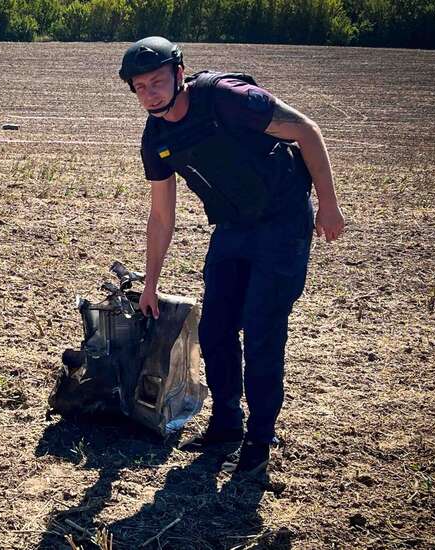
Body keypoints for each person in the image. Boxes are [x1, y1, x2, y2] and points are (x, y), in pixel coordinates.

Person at [119, 36, 345, 475]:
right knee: (217, 329)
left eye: (158, 82)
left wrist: (329, 203)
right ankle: (226, 426)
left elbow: (305, 130)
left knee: (261, 331)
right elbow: (162, 215)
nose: (150, 94)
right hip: (233, 228)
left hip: (282, 223)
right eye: (140, 87)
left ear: (179, 74)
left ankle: (259, 441)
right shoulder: (156, 137)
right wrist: (150, 284)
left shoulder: (227, 98)